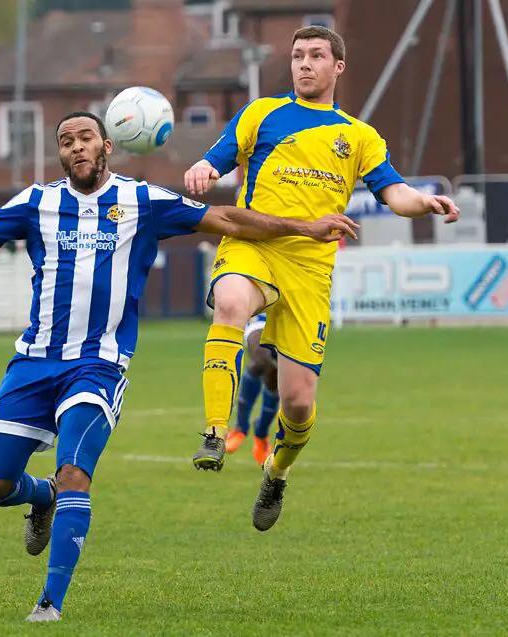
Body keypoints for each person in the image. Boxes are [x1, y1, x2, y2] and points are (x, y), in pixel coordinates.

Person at [0, 111, 358, 623]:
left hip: (98, 366)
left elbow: (225, 217)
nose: (76, 147)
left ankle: (49, 603)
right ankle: (44, 496)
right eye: (66, 141)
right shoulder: (36, 203)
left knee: (76, 469)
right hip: (33, 362)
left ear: (107, 145)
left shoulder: (142, 200)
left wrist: (302, 227)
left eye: (85, 138)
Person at [183, 25, 459, 531]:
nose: (304, 63)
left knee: (299, 403)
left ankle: (277, 474)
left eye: (315, 56)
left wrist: (425, 202)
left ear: (337, 68)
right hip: (254, 245)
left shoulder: (358, 136)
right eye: (297, 56)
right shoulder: (261, 113)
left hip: (310, 268)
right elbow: (216, 158)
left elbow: (395, 193)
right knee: (229, 304)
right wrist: (202, 167)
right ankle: (216, 431)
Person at [224, 313, 279, 465]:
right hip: (263, 314)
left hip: (292, 317)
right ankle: (240, 428)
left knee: (278, 378)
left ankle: (261, 432)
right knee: (261, 360)